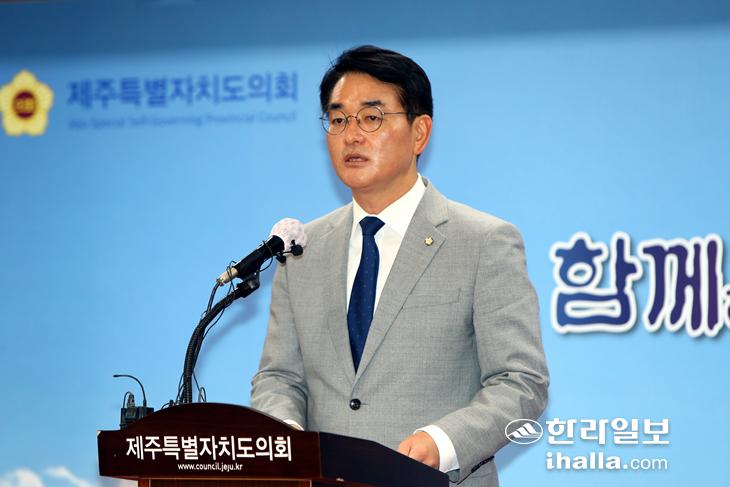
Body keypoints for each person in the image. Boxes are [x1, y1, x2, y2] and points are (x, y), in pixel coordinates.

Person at [251, 45, 549, 486]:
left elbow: (521, 382)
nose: (352, 135)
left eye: (371, 118)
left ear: (419, 132)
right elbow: (279, 377)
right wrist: (287, 439)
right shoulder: (302, 250)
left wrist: (442, 441)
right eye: (338, 119)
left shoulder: (483, 241)